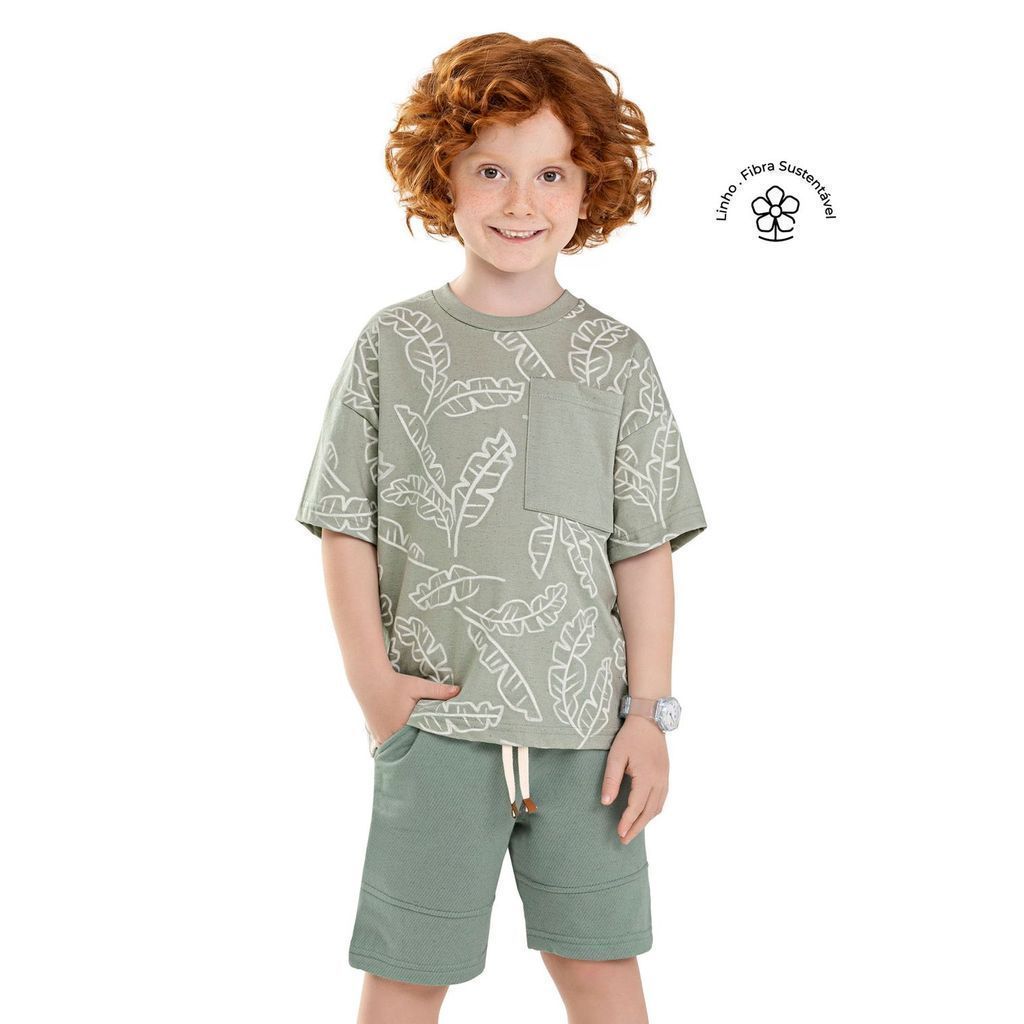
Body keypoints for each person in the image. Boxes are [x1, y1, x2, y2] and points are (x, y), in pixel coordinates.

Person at [295, 32, 708, 1024]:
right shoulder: (394, 345)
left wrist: (648, 717)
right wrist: (375, 689)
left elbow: (642, 548)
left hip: (589, 741)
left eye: (551, 172)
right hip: (435, 726)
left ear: (590, 185)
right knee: (406, 976)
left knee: (601, 970)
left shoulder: (615, 357)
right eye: (490, 170)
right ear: (444, 173)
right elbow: (345, 524)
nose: (520, 200)